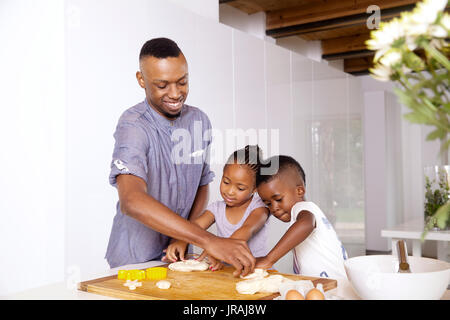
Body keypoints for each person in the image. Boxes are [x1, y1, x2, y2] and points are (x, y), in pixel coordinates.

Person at [105, 37, 255, 276]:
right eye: (162, 85)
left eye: (182, 82)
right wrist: (207, 239)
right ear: (141, 80)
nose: (175, 94)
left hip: (181, 255)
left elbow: (201, 184)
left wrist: (184, 237)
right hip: (136, 259)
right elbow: (131, 200)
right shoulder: (133, 125)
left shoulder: (199, 120)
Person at [164, 145, 270, 271]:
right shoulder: (217, 208)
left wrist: (217, 250)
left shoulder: (259, 207)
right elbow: (195, 227)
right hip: (228, 273)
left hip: (257, 272)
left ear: (255, 188)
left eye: (240, 188)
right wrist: (182, 241)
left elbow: (247, 230)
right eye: (226, 182)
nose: (230, 191)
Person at [255, 155, 348, 279]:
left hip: (333, 288)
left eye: (278, 199)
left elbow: (306, 224)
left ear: (299, 191)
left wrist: (269, 259)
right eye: (268, 203)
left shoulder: (303, 208)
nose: (274, 208)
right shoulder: (306, 211)